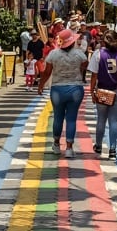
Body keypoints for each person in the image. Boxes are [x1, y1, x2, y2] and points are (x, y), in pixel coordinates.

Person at [38, 29, 88, 158]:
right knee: (71, 119)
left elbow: (47, 72)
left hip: (57, 89)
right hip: (75, 88)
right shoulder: (80, 54)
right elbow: (84, 66)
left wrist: (41, 85)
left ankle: (56, 144)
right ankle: (69, 148)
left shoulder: (53, 54)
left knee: (58, 117)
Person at [89, 31, 117, 159]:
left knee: (101, 120)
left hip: (102, 91)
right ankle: (113, 149)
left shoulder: (98, 54)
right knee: (114, 120)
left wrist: (92, 91)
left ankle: (98, 146)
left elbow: (94, 75)